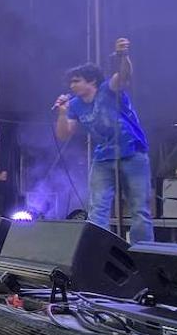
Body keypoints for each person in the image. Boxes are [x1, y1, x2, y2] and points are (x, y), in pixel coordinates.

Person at [55, 38, 154, 243]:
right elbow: (64, 135)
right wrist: (62, 113)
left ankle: (143, 252)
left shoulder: (107, 89)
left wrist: (123, 56)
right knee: (97, 209)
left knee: (139, 209)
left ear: (91, 81)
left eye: (76, 81)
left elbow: (124, 75)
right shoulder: (74, 105)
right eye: (71, 82)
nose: (72, 86)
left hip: (132, 150)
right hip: (103, 156)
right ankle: (99, 251)